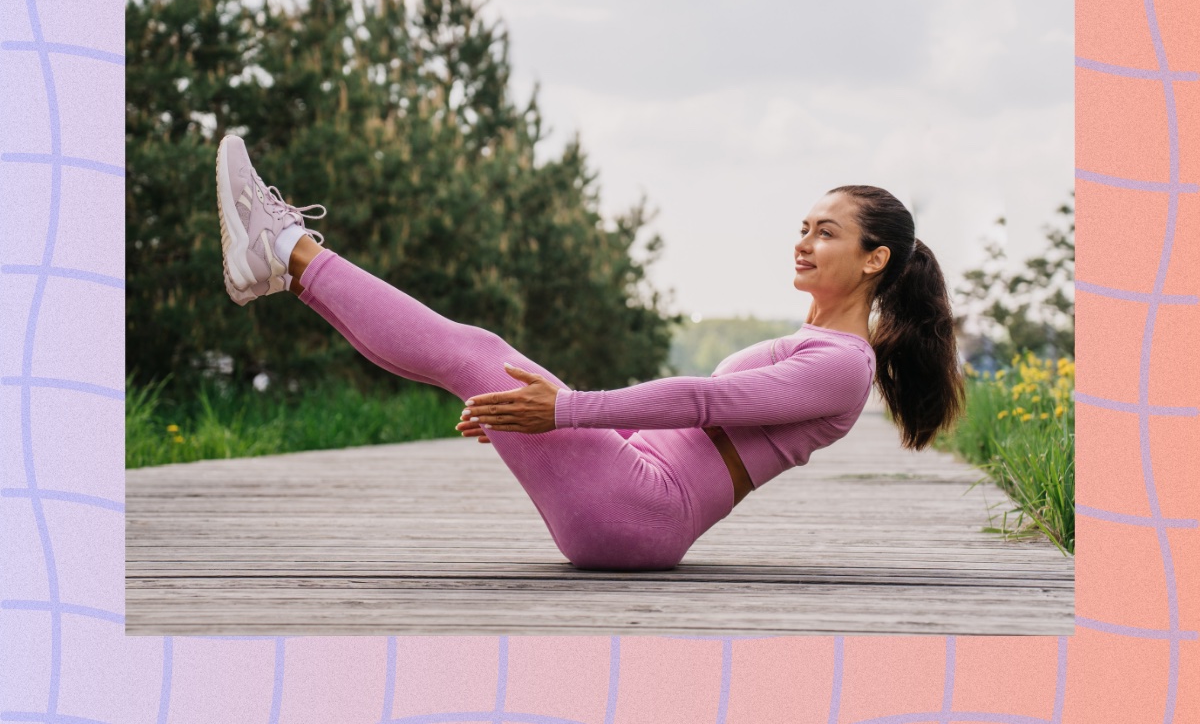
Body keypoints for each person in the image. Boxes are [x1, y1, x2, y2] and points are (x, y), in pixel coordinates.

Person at [216, 135, 965, 571]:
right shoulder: (814, 343)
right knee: (475, 359)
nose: (804, 241)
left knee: (477, 349)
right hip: (634, 496)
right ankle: (285, 262)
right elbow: (685, 427)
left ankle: (288, 250)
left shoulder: (844, 363)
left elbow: (705, 405)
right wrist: (547, 423)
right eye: (804, 225)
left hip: (642, 509)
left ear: (876, 259)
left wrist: (566, 412)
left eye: (827, 231)